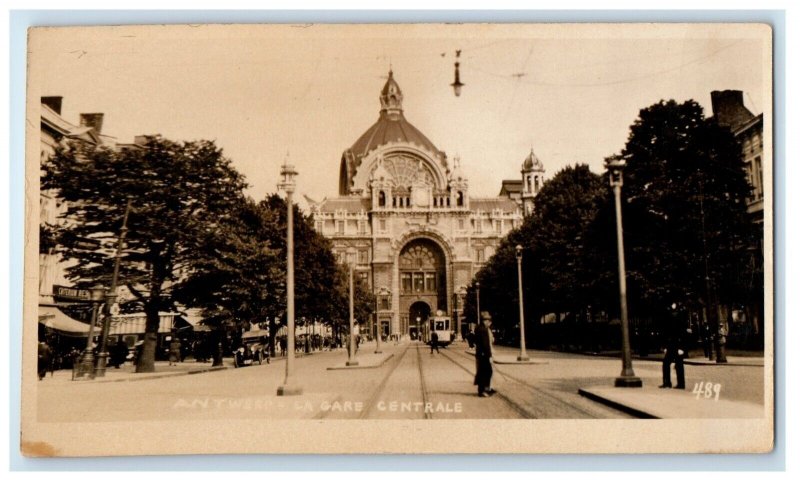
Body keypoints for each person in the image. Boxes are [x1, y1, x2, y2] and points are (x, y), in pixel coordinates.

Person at [660, 305, 686, 389]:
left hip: (676, 345)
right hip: (673, 345)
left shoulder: (679, 319)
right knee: (670, 364)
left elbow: (682, 334)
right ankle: (675, 383)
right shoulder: (677, 318)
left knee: (673, 364)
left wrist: (682, 348)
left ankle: (673, 383)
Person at [474, 312, 495, 397]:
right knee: (487, 372)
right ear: (485, 321)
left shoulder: (478, 328)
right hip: (484, 355)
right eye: (489, 321)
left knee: (482, 372)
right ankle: (483, 390)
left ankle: (484, 389)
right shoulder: (484, 330)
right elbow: (486, 344)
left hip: (480, 354)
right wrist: (489, 356)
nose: (489, 323)